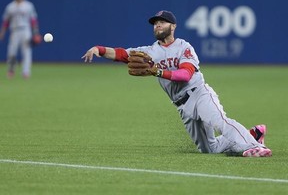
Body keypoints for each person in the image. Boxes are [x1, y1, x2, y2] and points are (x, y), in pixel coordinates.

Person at [82, 10, 272, 157]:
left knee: (220, 121)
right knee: (209, 149)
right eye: (155, 23)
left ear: (173, 26)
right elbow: (121, 54)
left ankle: (254, 146)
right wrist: (98, 49)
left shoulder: (184, 47)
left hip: (199, 93)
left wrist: (157, 71)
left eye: (161, 22)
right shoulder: (149, 52)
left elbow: (186, 75)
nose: (157, 26)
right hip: (182, 106)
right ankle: (252, 134)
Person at [0, 0, 41, 79]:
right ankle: (11, 70)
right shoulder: (10, 7)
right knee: (12, 51)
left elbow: (33, 20)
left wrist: (36, 32)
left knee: (26, 51)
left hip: (26, 30)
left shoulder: (28, 5)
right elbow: (6, 22)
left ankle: (26, 72)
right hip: (14, 30)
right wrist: (2, 32)